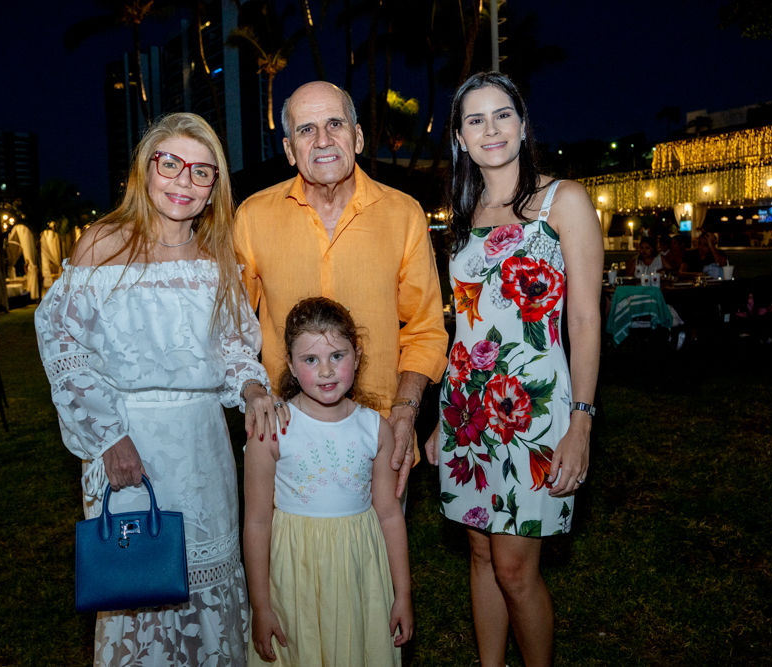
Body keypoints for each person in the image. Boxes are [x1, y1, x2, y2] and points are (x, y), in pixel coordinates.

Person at [36, 113, 278, 667]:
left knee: (204, 589)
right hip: (127, 444)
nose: (183, 182)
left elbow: (236, 346)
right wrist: (108, 438)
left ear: (215, 186)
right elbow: (62, 342)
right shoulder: (103, 244)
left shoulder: (218, 259)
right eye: (170, 164)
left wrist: (253, 387)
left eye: (201, 172)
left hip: (202, 450)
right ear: (144, 170)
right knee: (137, 583)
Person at [424, 72, 602, 667]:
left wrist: (581, 421)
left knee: (514, 566)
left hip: (537, 409)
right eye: (474, 120)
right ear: (460, 137)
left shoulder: (564, 201)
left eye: (502, 115)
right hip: (468, 412)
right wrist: (441, 422)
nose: (490, 129)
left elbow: (583, 320)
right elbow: (466, 328)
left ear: (523, 125)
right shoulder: (464, 212)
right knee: (480, 553)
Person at [233, 81, 448, 498]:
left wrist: (405, 414)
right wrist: (254, 392)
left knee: (378, 560)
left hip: (379, 437)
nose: (324, 140)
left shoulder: (403, 214)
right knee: (292, 562)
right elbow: (233, 331)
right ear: (289, 149)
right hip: (285, 439)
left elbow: (425, 330)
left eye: (335, 123)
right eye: (306, 129)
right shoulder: (252, 217)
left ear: (359, 136)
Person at [243, 297, 413, 666]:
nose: (326, 371)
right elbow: (256, 521)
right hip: (294, 576)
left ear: (358, 353)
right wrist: (260, 606)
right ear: (289, 363)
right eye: (310, 360)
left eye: (337, 355)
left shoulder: (375, 429)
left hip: (359, 575)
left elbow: (389, 514)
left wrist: (402, 594)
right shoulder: (272, 430)